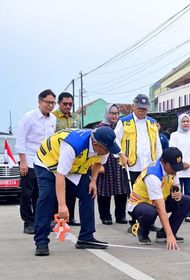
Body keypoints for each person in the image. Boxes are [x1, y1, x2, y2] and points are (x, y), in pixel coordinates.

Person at [33, 127, 126, 256]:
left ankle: (86, 237)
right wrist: (62, 205)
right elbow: (60, 175)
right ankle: (41, 241)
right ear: (95, 145)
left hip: (73, 167)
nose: (109, 152)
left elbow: (99, 163)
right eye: (107, 149)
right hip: (48, 162)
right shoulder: (73, 146)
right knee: (47, 197)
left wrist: (93, 181)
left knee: (88, 192)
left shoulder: (104, 147)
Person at [127, 147, 190, 249]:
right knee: (150, 212)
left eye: (178, 167)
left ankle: (163, 234)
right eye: (173, 167)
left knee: (186, 201)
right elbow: (160, 208)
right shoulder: (153, 176)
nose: (176, 171)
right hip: (140, 204)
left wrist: (178, 192)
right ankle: (142, 231)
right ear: (163, 162)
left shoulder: (172, 169)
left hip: (160, 200)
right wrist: (170, 235)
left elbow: (176, 184)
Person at [114, 94, 162, 231]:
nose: (142, 111)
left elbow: (157, 143)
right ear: (133, 107)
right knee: (134, 195)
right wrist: (121, 155)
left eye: (145, 109)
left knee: (150, 194)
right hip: (132, 165)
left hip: (149, 166)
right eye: (140, 108)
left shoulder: (152, 122)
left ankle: (149, 221)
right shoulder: (124, 121)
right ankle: (134, 223)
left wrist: (158, 160)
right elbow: (115, 140)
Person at [16, 89, 57, 234]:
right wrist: (23, 162)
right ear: (39, 102)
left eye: (53, 103)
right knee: (27, 193)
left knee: (41, 194)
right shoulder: (29, 117)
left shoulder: (53, 119)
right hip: (29, 159)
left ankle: (41, 221)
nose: (50, 105)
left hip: (45, 162)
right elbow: (21, 139)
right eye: (47, 102)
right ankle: (28, 222)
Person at [96, 104, 128, 225]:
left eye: (116, 113)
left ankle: (120, 216)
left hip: (119, 161)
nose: (114, 116)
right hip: (105, 160)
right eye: (112, 113)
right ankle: (105, 216)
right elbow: (96, 147)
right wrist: (99, 165)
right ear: (106, 113)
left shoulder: (122, 126)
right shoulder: (99, 127)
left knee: (122, 189)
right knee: (104, 190)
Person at [52, 92, 81, 226]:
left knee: (71, 190)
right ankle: (55, 217)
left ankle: (70, 217)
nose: (68, 106)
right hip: (56, 158)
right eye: (65, 104)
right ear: (59, 103)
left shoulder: (76, 117)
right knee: (56, 189)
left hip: (73, 158)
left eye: (70, 104)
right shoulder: (53, 117)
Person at [169, 114, 190, 223]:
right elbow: (172, 150)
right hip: (177, 168)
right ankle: (178, 212)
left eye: (187, 121)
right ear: (179, 123)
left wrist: (189, 162)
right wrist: (180, 164)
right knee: (177, 191)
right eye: (183, 121)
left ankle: (189, 214)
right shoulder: (174, 135)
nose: (186, 123)